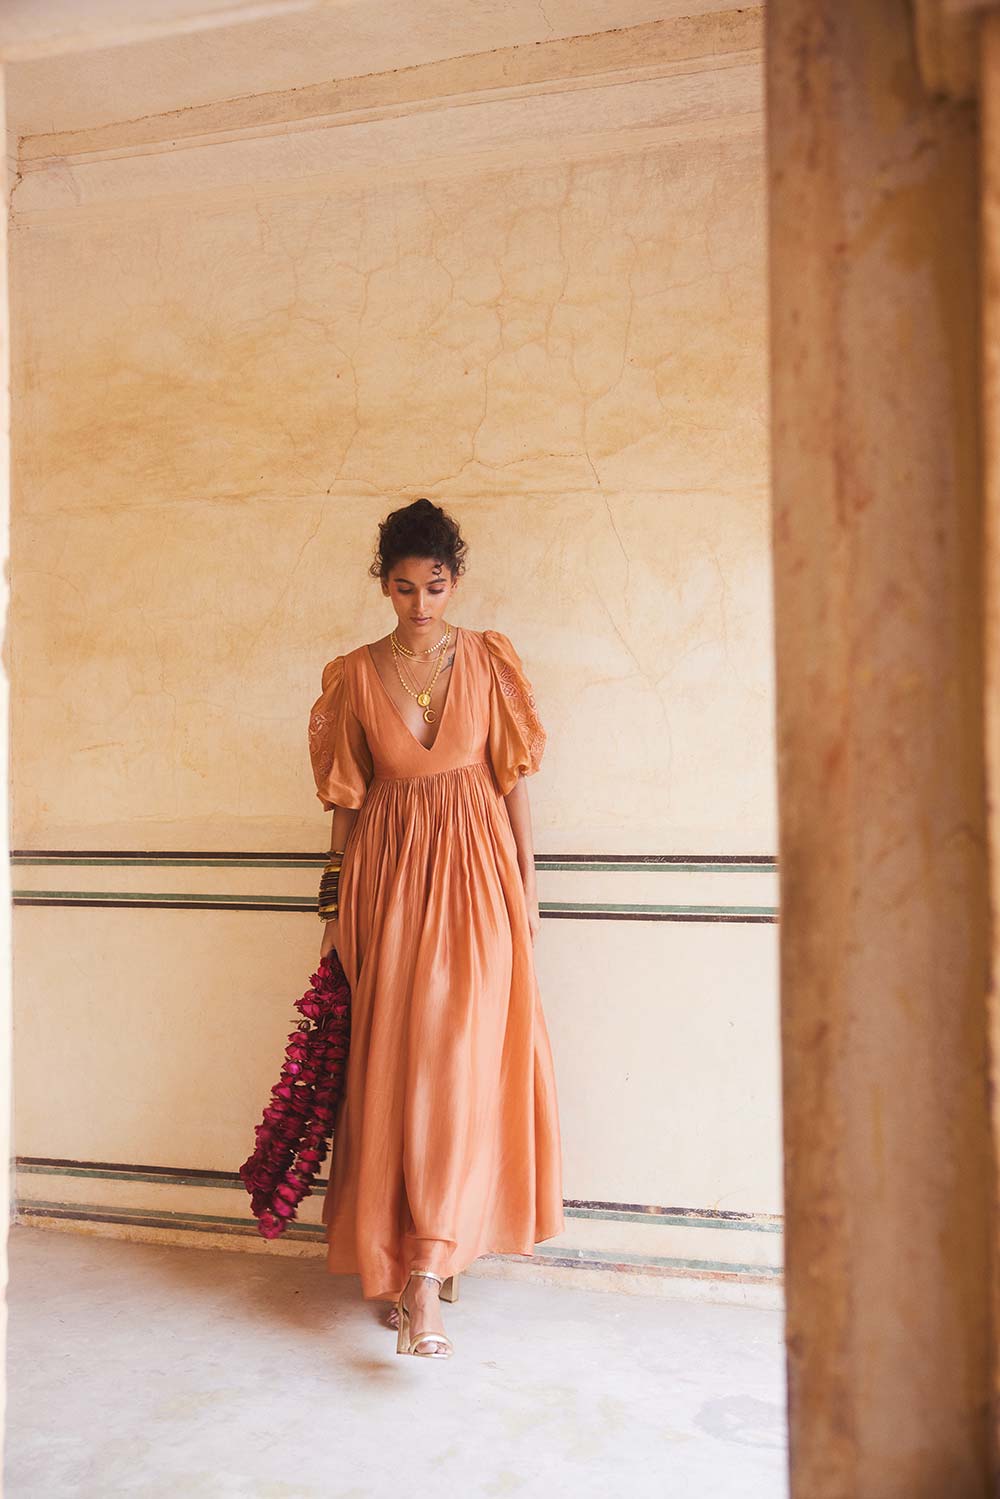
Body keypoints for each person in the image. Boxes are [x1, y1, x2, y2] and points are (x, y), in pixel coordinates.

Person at [307, 497, 565, 1360]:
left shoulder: (490, 659)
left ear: (455, 581)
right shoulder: (352, 674)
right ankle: (414, 1263)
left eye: (436, 585)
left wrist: (528, 889)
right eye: (405, 587)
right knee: (396, 1067)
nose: (421, 603)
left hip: (480, 874)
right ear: (382, 585)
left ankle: (428, 1270)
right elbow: (345, 803)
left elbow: (513, 780)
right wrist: (332, 907)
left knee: (459, 1063)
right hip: (385, 878)